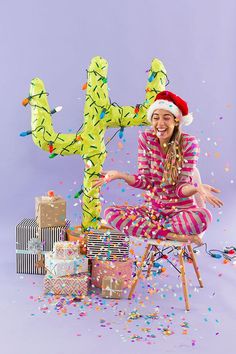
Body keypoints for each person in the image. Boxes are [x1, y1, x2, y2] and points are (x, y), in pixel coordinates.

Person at [93, 91, 223, 245]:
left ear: (176, 121)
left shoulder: (189, 144)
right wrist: (119, 175)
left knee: (203, 217)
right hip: (154, 213)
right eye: (156, 118)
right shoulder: (146, 139)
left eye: (166, 118)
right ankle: (173, 236)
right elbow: (145, 181)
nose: (160, 123)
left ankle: (155, 231)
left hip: (180, 214)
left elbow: (180, 188)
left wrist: (197, 188)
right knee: (110, 214)